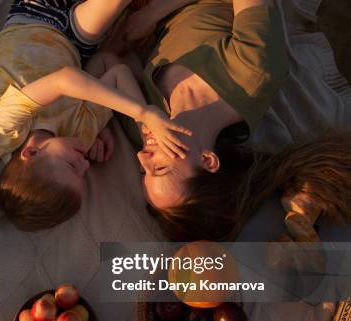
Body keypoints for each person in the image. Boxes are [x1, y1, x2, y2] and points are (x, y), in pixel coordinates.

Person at [120, 0, 351, 241]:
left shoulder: (145, 125)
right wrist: (153, 13)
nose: (141, 157)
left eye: (142, 171)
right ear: (207, 160)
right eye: (159, 168)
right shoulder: (251, 73)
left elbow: (114, 64)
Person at [0, 0, 191, 231]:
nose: (84, 165)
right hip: (76, 43)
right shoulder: (80, 135)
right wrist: (145, 130)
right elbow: (113, 69)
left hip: (35, 17)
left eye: (72, 166)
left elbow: (65, 80)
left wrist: (142, 112)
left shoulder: (5, 129)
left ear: (31, 152)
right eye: (82, 175)